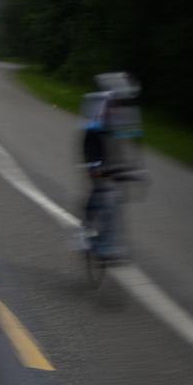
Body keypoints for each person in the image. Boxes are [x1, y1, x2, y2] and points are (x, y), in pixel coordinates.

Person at [78, 72, 144, 258]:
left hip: (113, 153)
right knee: (99, 188)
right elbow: (89, 140)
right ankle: (86, 227)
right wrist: (94, 165)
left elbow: (135, 142)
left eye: (124, 99)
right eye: (118, 99)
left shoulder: (127, 112)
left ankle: (109, 242)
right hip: (94, 147)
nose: (120, 103)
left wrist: (139, 168)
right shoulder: (96, 105)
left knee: (115, 197)